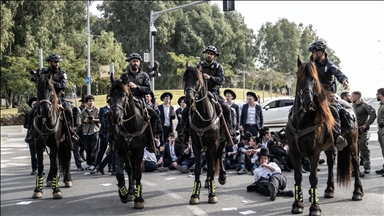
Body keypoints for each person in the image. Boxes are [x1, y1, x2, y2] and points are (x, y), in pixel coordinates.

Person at [176, 45, 237, 146]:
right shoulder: (199, 66)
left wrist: (210, 78)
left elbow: (221, 80)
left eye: (211, 54)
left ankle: (229, 132)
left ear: (214, 56)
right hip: (200, 94)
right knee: (187, 110)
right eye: (208, 53)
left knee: (226, 108)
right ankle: (183, 134)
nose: (209, 55)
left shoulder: (218, 67)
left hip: (214, 93)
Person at [25, 53, 79, 143]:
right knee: (31, 112)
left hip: (58, 97)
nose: (57, 63)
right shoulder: (44, 71)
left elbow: (63, 85)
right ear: (50, 62)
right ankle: (30, 133)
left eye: (58, 62)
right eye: (54, 62)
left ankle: (71, 131)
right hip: (45, 98)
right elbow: (39, 84)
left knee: (69, 110)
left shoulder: (62, 73)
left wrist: (51, 82)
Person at [308, 41, 349, 151]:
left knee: (333, 110)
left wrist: (344, 80)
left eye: (314, 52)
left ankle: (338, 135)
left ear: (321, 52)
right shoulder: (312, 63)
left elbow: (338, 73)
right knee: (298, 107)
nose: (312, 55)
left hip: (328, 94)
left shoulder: (329, 65)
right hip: (313, 93)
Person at [119, 53, 162, 147]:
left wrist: (136, 87)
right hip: (126, 101)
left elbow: (148, 89)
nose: (135, 63)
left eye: (137, 61)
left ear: (139, 63)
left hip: (140, 101)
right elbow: (119, 88)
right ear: (130, 62)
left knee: (154, 115)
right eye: (134, 61)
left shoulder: (144, 75)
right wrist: (125, 88)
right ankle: (112, 141)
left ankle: (152, 139)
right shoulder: (124, 76)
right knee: (111, 114)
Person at [351, 91, 376, 174]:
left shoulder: (365, 106)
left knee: (363, 148)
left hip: (362, 131)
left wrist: (366, 124)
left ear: (357, 97)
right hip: (354, 130)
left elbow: (373, 114)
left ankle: (367, 166)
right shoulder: (353, 106)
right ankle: (355, 168)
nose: (351, 98)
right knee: (354, 149)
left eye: (352, 96)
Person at [81, 94, 100, 170]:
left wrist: (93, 119)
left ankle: (93, 163)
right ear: (86, 103)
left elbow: (100, 119)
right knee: (87, 149)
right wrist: (84, 120)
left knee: (94, 148)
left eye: (92, 101)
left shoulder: (97, 110)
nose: (91, 102)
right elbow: (80, 121)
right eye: (89, 101)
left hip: (94, 130)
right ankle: (88, 163)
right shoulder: (83, 111)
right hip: (86, 132)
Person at [94, 95, 111, 169]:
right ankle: (97, 164)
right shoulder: (102, 109)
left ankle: (111, 165)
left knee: (112, 150)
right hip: (104, 132)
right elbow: (101, 120)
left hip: (112, 132)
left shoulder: (115, 109)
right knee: (102, 149)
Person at [24, 97, 38, 175]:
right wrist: (30, 127)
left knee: (40, 154)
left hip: (39, 135)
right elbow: (25, 124)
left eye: (36, 103)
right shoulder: (28, 113)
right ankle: (34, 168)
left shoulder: (40, 113)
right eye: (33, 104)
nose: (35, 105)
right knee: (33, 154)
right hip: (31, 134)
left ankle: (40, 168)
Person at [375, 88, 384, 177]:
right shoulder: (381, 104)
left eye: (377, 94)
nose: (376, 95)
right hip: (381, 128)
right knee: (383, 148)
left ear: (381, 94)